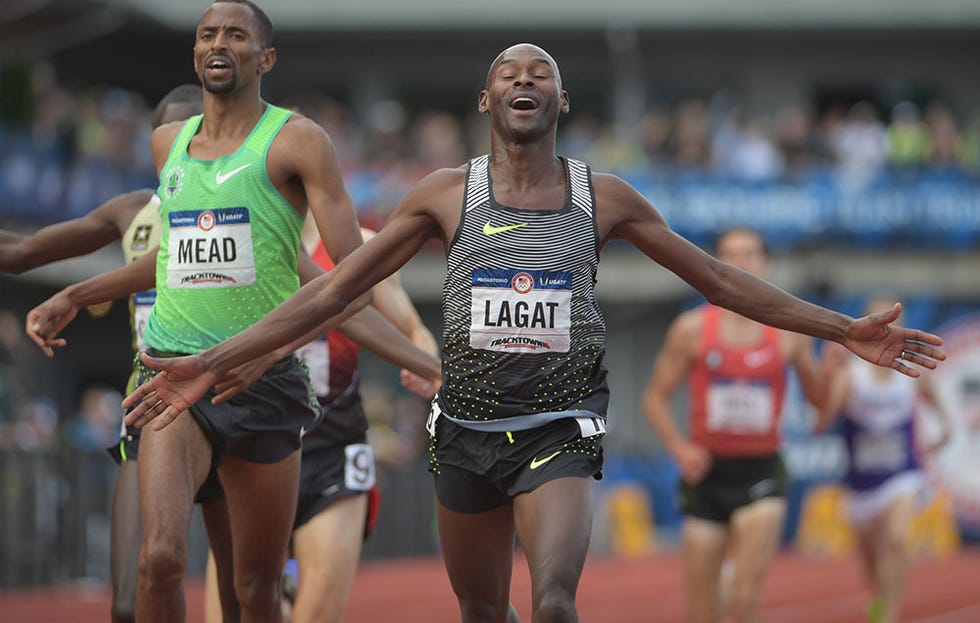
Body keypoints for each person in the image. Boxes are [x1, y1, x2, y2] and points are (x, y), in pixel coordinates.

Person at [117, 43, 945, 623]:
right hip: (464, 430)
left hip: (560, 427)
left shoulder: (603, 196)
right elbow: (337, 288)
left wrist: (842, 330)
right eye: (508, 73)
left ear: (560, 101)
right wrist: (220, 359)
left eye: (540, 73)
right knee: (483, 607)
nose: (524, 80)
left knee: (552, 599)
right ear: (486, 101)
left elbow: (719, 280)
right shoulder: (445, 194)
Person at [25, 2, 401, 621]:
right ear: (195, 53)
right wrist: (77, 293)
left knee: (252, 590)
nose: (218, 44)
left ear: (266, 57)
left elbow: (354, 283)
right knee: (160, 560)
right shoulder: (167, 143)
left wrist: (267, 353)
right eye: (206, 35)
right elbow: (172, 254)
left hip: (262, 384)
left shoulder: (299, 141)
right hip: (172, 375)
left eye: (235, 35)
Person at [0, 84, 222, 623]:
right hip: (151, 402)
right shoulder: (133, 211)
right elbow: (26, 251)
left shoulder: (247, 206)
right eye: (164, 134)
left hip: (232, 401)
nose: (177, 143)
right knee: (129, 600)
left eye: (190, 131)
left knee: (245, 598)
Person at [202, 221, 440, 623]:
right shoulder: (244, 230)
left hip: (332, 449)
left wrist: (423, 359)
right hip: (253, 447)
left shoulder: (359, 245)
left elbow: (412, 327)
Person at [641, 226, 828, 623]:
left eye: (749, 254)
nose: (740, 262)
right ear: (716, 264)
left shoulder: (790, 334)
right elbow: (654, 398)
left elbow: (817, 400)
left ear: (766, 263)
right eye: (730, 254)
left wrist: (830, 374)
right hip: (707, 473)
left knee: (744, 594)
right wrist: (680, 448)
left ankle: (739, 592)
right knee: (702, 607)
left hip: (761, 469)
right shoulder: (691, 330)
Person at [816, 297, 952, 623]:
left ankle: (888, 616)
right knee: (871, 562)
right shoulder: (851, 377)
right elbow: (820, 424)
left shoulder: (910, 373)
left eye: (891, 324)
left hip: (902, 475)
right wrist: (827, 375)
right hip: (861, 484)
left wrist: (944, 432)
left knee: (895, 539)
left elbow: (937, 403)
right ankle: (882, 595)